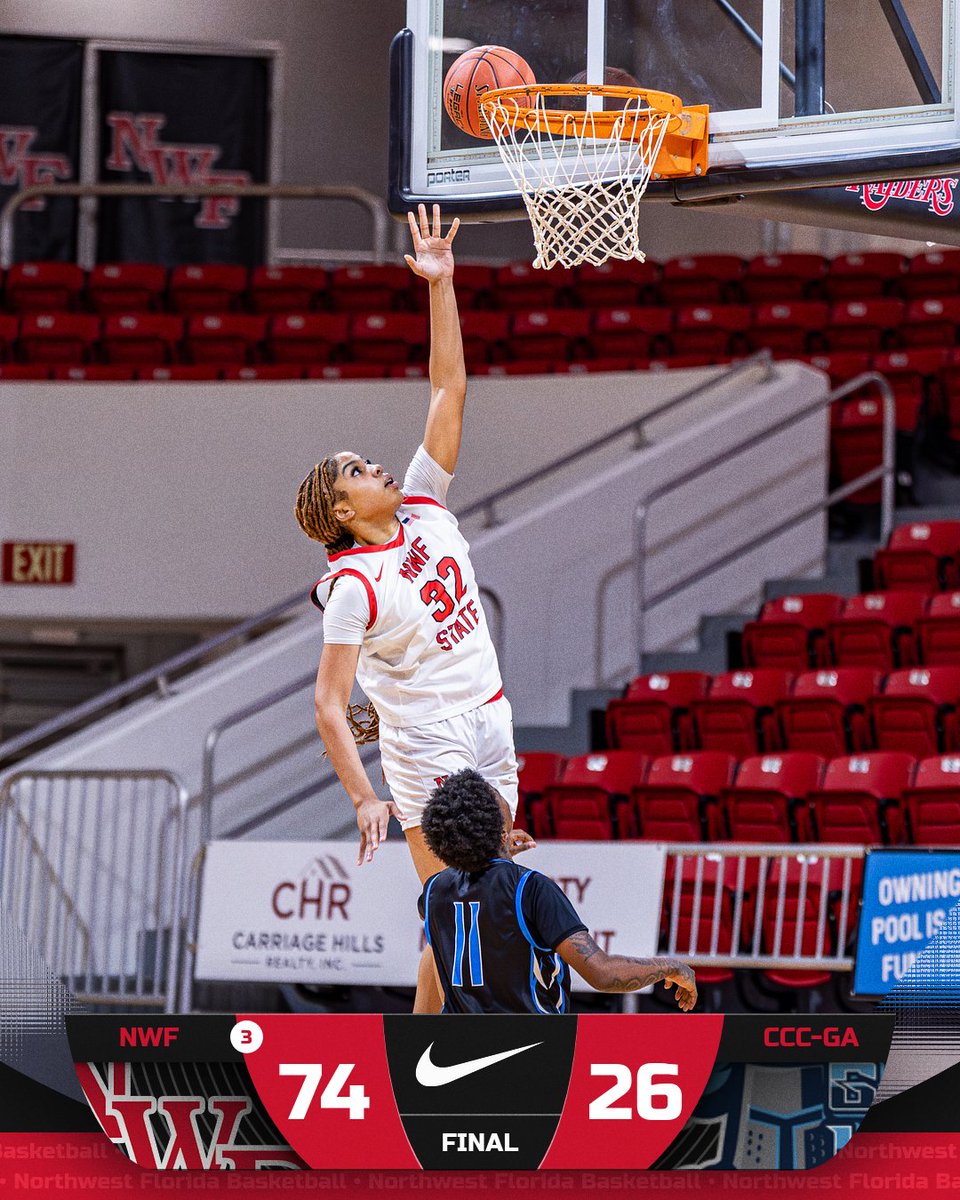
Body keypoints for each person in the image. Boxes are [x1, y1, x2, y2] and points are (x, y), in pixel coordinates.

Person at [294, 203, 520, 1013]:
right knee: (453, 910)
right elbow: (328, 701)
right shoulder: (352, 587)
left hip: (488, 717)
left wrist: (441, 285)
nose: (377, 463)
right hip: (425, 740)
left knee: (479, 908)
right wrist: (364, 794)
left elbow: (447, 384)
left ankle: (435, 1056)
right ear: (343, 510)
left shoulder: (424, 503)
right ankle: (427, 1061)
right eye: (357, 468)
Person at [418, 768, 698, 1014]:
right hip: (531, 1046)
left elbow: (481, 892)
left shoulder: (433, 892)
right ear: (500, 830)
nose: (502, 795)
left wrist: (499, 852)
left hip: (457, 1046)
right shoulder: (531, 888)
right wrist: (670, 967)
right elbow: (603, 974)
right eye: (496, 795)